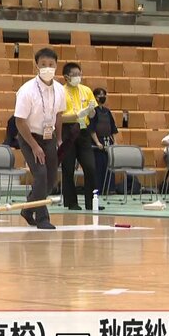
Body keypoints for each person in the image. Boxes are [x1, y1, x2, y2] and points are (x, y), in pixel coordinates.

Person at [15, 48, 66, 229]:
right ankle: (43, 218)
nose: (47, 68)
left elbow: (59, 115)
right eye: (43, 64)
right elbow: (19, 121)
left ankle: (28, 209)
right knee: (41, 175)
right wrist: (34, 146)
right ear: (36, 65)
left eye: (51, 64)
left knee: (51, 179)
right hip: (29, 136)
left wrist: (59, 139)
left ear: (56, 66)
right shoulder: (26, 90)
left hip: (49, 136)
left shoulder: (60, 89)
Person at [59, 63, 99, 211]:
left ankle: (92, 201)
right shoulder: (60, 92)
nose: (78, 77)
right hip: (68, 130)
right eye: (74, 74)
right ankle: (71, 202)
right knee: (68, 168)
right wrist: (76, 115)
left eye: (79, 74)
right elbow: (59, 117)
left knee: (90, 167)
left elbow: (93, 114)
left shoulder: (86, 90)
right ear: (66, 77)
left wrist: (90, 111)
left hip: (83, 130)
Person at [89, 87, 119, 195]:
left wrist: (115, 142)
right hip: (97, 144)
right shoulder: (93, 111)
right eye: (100, 95)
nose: (102, 97)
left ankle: (110, 189)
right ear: (95, 97)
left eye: (104, 95)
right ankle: (98, 190)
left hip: (108, 143)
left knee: (109, 166)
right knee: (99, 167)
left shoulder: (107, 111)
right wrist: (97, 142)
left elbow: (113, 128)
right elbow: (92, 129)